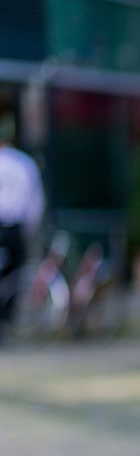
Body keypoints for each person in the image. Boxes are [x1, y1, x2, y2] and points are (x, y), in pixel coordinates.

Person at [0, 115, 45, 333]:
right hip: (16, 228)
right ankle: (7, 319)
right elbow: (36, 202)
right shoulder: (25, 163)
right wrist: (28, 229)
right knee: (14, 275)